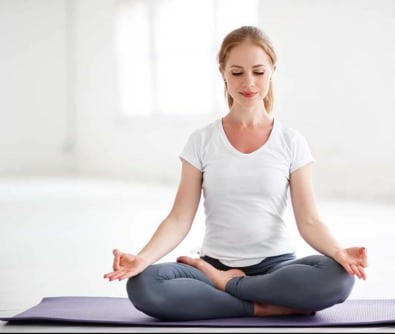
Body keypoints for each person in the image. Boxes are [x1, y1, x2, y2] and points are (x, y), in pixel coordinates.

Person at [104, 25, 368, 321]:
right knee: (144, 285)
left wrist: (339, 252)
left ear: (272, 70)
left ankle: (230, 286)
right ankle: (260, 305)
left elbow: (309, 220)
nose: (249, 82)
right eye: (237, 72)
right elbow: (179, 218)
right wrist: (142, 258)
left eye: (258, 71)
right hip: (211, 266)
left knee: (338, 278)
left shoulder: (291, 141)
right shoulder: (202, 140)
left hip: (276, 268)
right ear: (223, 73)